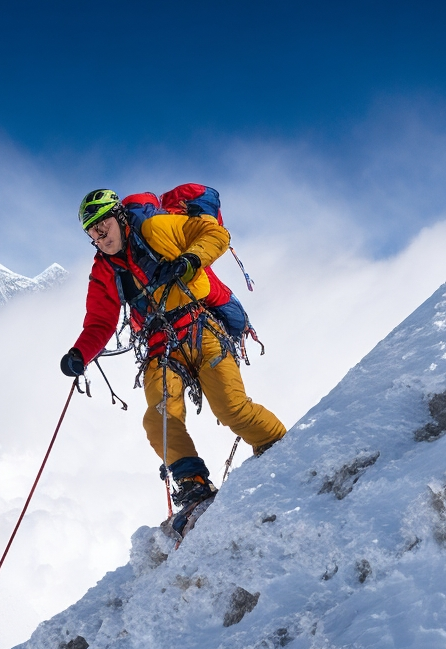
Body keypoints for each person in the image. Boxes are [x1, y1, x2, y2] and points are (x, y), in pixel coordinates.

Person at [60, 189, 286, 538]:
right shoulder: (103, 271)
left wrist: (190, 260)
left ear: (119, 217)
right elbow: (99, 323)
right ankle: (193, 486)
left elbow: (215, 234)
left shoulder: (155, 228)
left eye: (103, 225)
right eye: (92, 231)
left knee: (231, 408)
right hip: (159, 346)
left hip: (200, 327)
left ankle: (281, 446)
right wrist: (80, 354)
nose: (100, 236)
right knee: (160, 419)